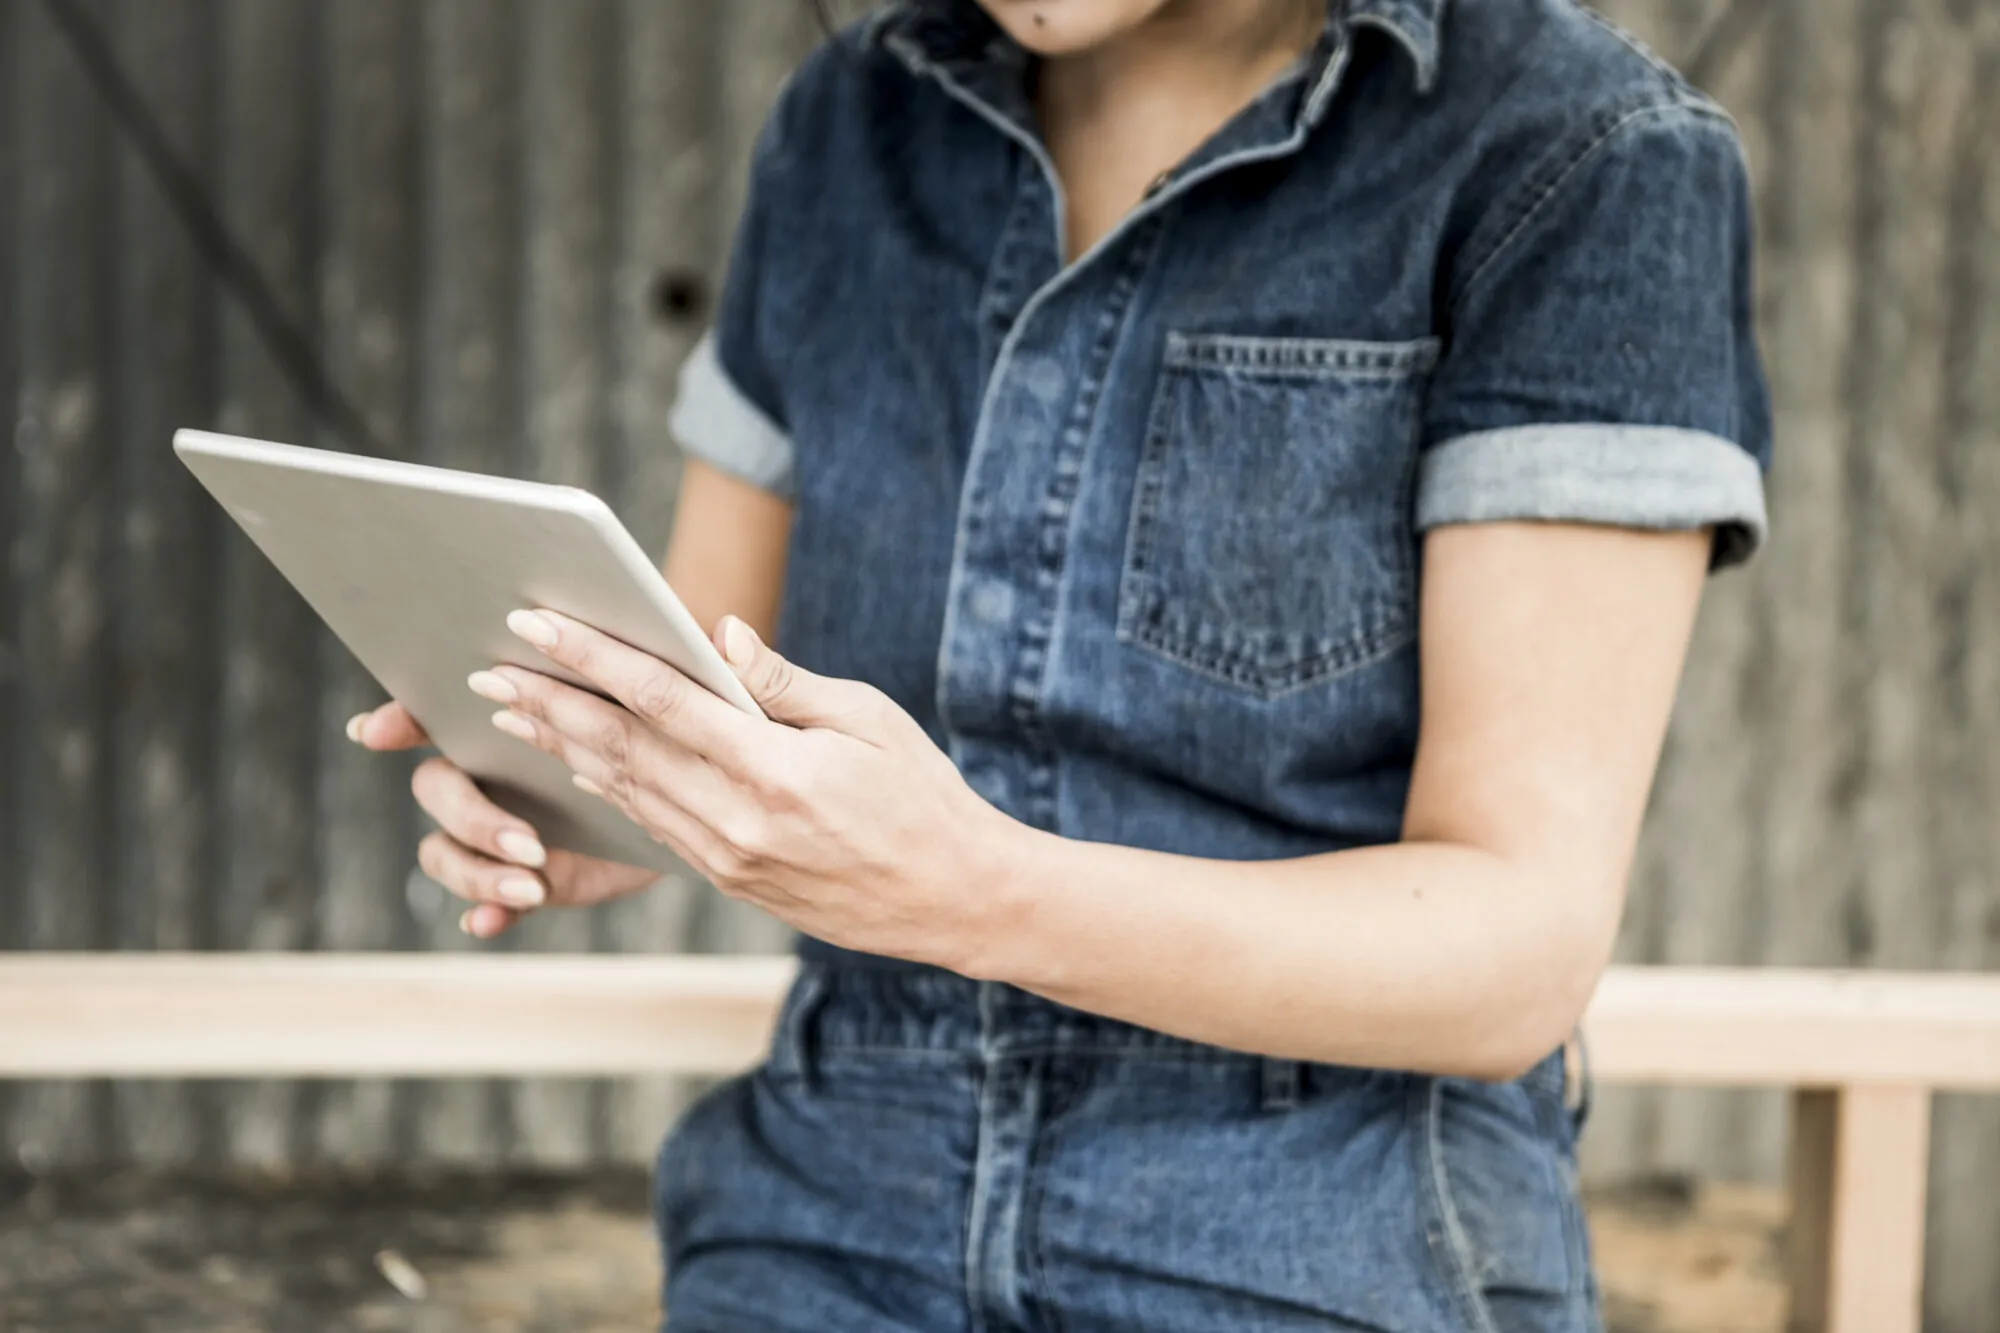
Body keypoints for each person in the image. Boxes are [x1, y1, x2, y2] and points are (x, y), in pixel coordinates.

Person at [348, 0, 1771, 1327]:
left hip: (1325, 1222)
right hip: (833, 1194)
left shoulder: (1577, 156)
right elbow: (716, 667)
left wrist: (972, 893)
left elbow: (1513, 958)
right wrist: (609, 792)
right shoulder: (852, 122)